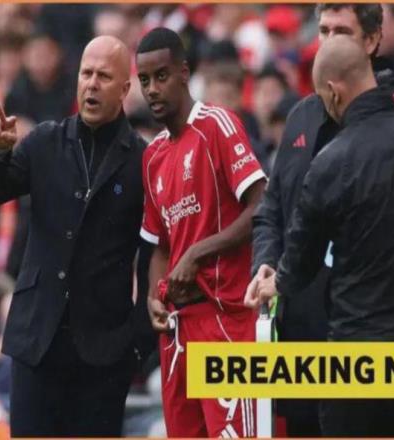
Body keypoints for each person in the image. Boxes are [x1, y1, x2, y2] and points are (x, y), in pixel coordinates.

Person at [250, 35, 394, 438]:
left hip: (357, 355)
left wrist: (273, 281)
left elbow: (300, 261)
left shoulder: (331, 162)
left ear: (333, 92)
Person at [0, 35, 154, 437]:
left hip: (104, 351)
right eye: (86, 74)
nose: (92, 84)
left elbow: (151, 252)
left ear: (125, 88)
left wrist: (137, 341)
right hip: (37, 340)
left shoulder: (142, 160)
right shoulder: (44, 140)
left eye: (104, 76)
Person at [136, 27, 266, 438]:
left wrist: (197, 254)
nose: (152, 89)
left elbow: (261, 206)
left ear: (184, 73)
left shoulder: (217, 125)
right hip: (178, 329)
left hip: (225, 319)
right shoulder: (153, 156)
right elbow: (160, 246)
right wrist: (154, 296)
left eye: (161, 76)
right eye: (144, 80)